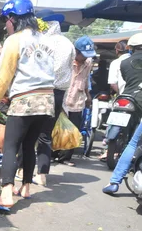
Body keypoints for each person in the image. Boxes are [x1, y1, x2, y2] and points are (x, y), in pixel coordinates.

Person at [0, 0, 55, 211]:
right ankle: (26, 188)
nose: (6, 25)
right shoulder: (46, 40)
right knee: (29, 145)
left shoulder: (15, 40)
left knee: (10, 145)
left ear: (13, 19)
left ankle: (5, 196)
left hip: (25, 99)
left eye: (6, 20)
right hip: (47, 100)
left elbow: (2, 76)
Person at [33, 13, 76, 186]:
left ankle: (22, 169)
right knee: (45, 135)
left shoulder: (42, 42)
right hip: (58, 94)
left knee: (29, 132)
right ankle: (42, 174)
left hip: (41, 90)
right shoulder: (69, 44)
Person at [103, 33, 142, 195]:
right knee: (134, 141)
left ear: (131, 48)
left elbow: (126, 80)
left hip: (129, 98)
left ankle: (114, 182)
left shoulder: (124, 63)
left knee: (132, 143)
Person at [58, 36, 96, 166]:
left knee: (73, 129)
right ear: (76, 52)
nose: (85, 58)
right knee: (56, 128)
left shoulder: (88, 63)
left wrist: (88, 95)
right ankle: (52, 153)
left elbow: (86, 80)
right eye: (83, 55)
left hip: (77, 100)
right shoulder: (67, 60)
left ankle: (65, 157)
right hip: (63, 97)